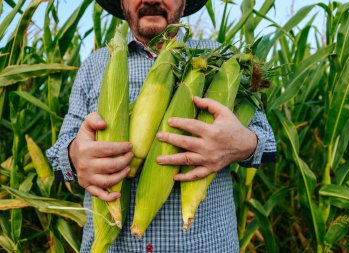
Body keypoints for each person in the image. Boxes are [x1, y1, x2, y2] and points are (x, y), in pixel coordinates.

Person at [46, 0, 277, 252]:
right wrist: (75, 155)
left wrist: (242, 144)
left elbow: (266, 141)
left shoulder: (222, 60)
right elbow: (59, 157)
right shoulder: (95, 65)